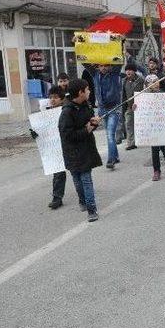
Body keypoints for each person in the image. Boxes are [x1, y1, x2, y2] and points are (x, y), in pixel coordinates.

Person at [58, 79, 102, 222]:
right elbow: (67, 135)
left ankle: (91, 209)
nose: (89, 91)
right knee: (77, 179)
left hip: (86, 149)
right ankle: (82, 200)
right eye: (87, 89)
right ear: (80, 92)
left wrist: (94, 123)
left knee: (86, 179)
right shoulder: (67, 112)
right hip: (72, 151)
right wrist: (87, 129)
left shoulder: (86, 105)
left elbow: (89, 124)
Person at [29, 86, 72, 210]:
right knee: (58, 171)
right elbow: (42, 130)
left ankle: (85, 192)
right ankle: (57, 197)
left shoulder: (67, 110)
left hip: (70, 145)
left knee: (77, 171)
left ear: (62, 99)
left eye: (56, 97)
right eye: (51, 97)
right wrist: (34, 133)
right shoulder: (45, 113)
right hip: (56, 149)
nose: (52, 100)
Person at [136, 75, 165, 181]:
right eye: (152, 82)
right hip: (151, 127)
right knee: (154, 149)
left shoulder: (162, 94)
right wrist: (135, 108)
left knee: (164, 146)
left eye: (156, 81)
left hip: (161, 125)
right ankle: (156, 171)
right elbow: (139, 110)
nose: (155, 84)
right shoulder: (143, 97)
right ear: (147, 84)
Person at [93, 64, 122, 169]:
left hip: (114, 108)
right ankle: (116, 155)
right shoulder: (95, 75)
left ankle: (111, 160)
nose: (103, 68)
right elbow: (85, 62)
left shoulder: (114, 74)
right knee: (109, 134)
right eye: (101, 65)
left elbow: (118, 60)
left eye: (106, 65)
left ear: (110, 66)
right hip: (102, 109)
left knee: (110, 134)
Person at [122, 63, 144, 150]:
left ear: (134, 71)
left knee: (140, 124)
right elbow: (123, 94)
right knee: (128, 124)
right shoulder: (124, 81)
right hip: (129, 107)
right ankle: (131, 143)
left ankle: (143, 138)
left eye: (130, 70)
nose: (128, 71)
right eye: (127, 70)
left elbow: (145, 92)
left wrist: (140, 103)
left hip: (140, 106)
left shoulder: (140, 80)